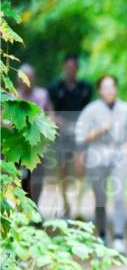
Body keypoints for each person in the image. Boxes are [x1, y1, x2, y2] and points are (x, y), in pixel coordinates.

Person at [76, 74, 127, 254]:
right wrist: (99, 130)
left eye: (112, 87)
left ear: (116, 88)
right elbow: (82, 136)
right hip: (97, 154)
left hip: (119, 154)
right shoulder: (90, 110)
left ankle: (119, 237)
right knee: (100, 198)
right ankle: (102, 234)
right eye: (105, 87)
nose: (109, 90)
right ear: (99, 90)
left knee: (119, 196)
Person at [47, 54, 93, 218]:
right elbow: (50, 111)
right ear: (64, 68)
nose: (71, 71)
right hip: (62, 134)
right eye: (68, 68)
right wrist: (59, 122)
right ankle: (65, 202)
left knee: (81, 167)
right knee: (63, 169)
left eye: (74, 68)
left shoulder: (85, 89)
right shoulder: (54, 88)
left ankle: (79, 206)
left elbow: (89, 112)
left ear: (77, 69)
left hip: (79, 132)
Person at [16, 63, 54, 204]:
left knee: (37, 178)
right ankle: (23, 209)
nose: (26, 82)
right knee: (22, 178)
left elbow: (50, 114)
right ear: (18, 80)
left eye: (30, 78)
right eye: (23, 78)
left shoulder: (42, 94)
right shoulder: (13, 96)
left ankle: (35, 206)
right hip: (18, 146)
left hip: (38, 146)